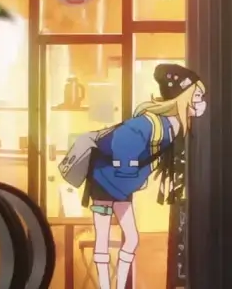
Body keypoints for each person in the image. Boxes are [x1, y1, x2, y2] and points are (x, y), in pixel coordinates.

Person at [66, 63, 207, 289]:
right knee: (103, 240)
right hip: (104, 180)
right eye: (198, 96)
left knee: (131, 238)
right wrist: (129, 171)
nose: (201, 102)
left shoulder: (174, 127)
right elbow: (123, 141)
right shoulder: (150, 123)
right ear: (183, 98)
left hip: (122, 186)